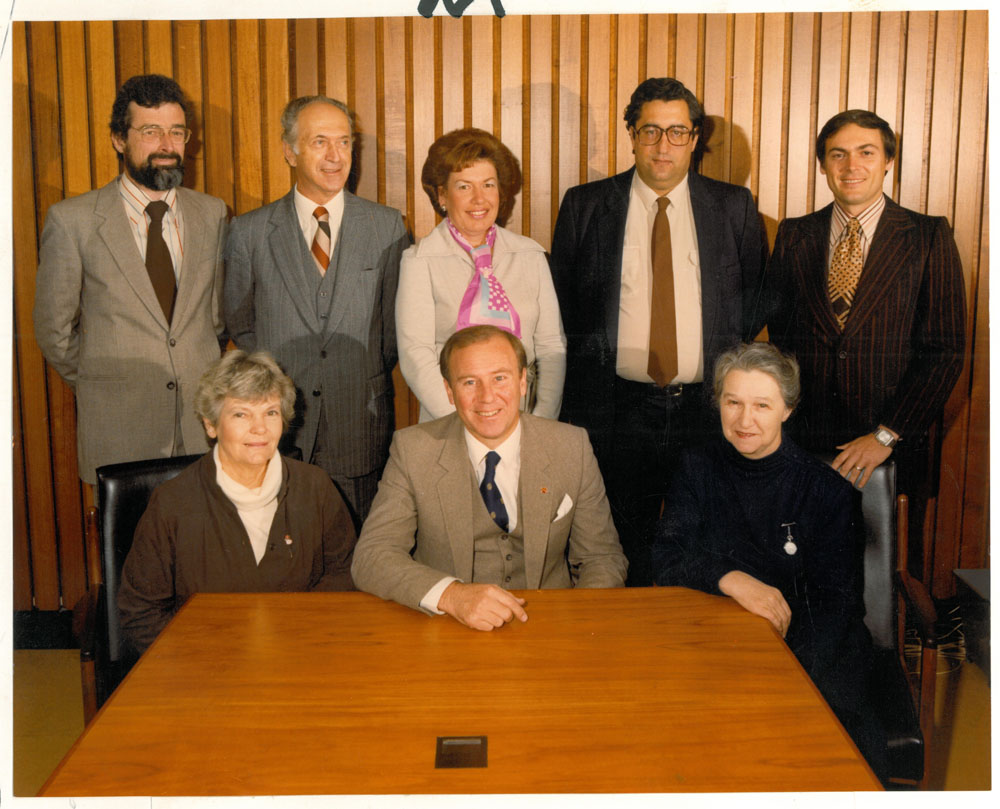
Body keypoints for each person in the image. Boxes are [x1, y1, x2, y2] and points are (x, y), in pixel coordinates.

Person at [549, 77, 768, 586]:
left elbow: (753, 299)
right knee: (621, 545)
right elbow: (564, 304)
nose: (662, 145)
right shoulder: (586, 205)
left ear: (695, 139)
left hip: (706, 407)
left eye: (676, 132)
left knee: (708, 540)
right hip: (615, 408)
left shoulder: (733, 206)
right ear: (631, 134)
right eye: (650, 131)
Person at [651, 342, 883, 776]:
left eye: (762, 405)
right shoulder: (696, 467)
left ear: (787, 410)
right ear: (717, 403)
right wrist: (731, 578)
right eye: (733, 402)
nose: (745, 420)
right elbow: (666, 559)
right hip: (715, 650)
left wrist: (778, 677)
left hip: (811, 655)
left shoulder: (826, 491)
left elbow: (838, 606)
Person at [762, 109, 965, 572]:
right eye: (838, 154)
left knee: (880, 575)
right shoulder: (796, 235)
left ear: (888, 161)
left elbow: (946, 350)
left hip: (888, 443)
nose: (852, 165)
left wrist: (885, 435)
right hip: (805, 443)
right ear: (822, 165)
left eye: (866, 152)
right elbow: (782, 340)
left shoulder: (928, 235)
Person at [352, 325, 627, 630]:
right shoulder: (414, 450)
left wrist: (575, 624)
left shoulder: (571, 446)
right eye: (470, 382)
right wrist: (452, 596)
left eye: (500, 378)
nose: (487, 397)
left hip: (551, 625)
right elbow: (372, 556)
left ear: (523, 381)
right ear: (449, 392)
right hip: (449, 626)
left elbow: (602, 559)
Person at [223, 95, 410, 527]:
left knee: (358, 560)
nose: (334, 156)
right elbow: (241, 324)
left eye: (344, 143)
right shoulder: (250, 233)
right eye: (319, 142)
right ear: (289, 150)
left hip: (359, 424)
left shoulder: (387, 227)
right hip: (279, 431)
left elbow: (391, 336)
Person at [33, 74, 227, 486]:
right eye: (150, 131)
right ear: (119, 139)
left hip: (201, 429)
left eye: (176, 132)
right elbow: (54, 331)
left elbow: (215, 318)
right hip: (121, 432)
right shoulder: (73, 221)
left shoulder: (213, 214)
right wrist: (108, 381)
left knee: (204, 549)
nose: (166, 145)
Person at [118, 350, 357, 658]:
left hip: (299, 657)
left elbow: (344, 574)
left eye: (270, 412)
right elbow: (141, 611)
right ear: (211, 425)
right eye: (241, 414)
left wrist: (302, 640)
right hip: (204, 670)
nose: (259, 428)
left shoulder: (315, 487)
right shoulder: (173, 503)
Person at [396, 127, 566, 421]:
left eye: (488, 184)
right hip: (448, 420)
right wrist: (465, 422)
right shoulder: (419, 261)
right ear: (442, 196)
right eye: (464, 186)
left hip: (526, 419)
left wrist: (543, 418)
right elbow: (416, 355)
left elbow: (551, 346)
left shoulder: (531, 256)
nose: (479, 199)